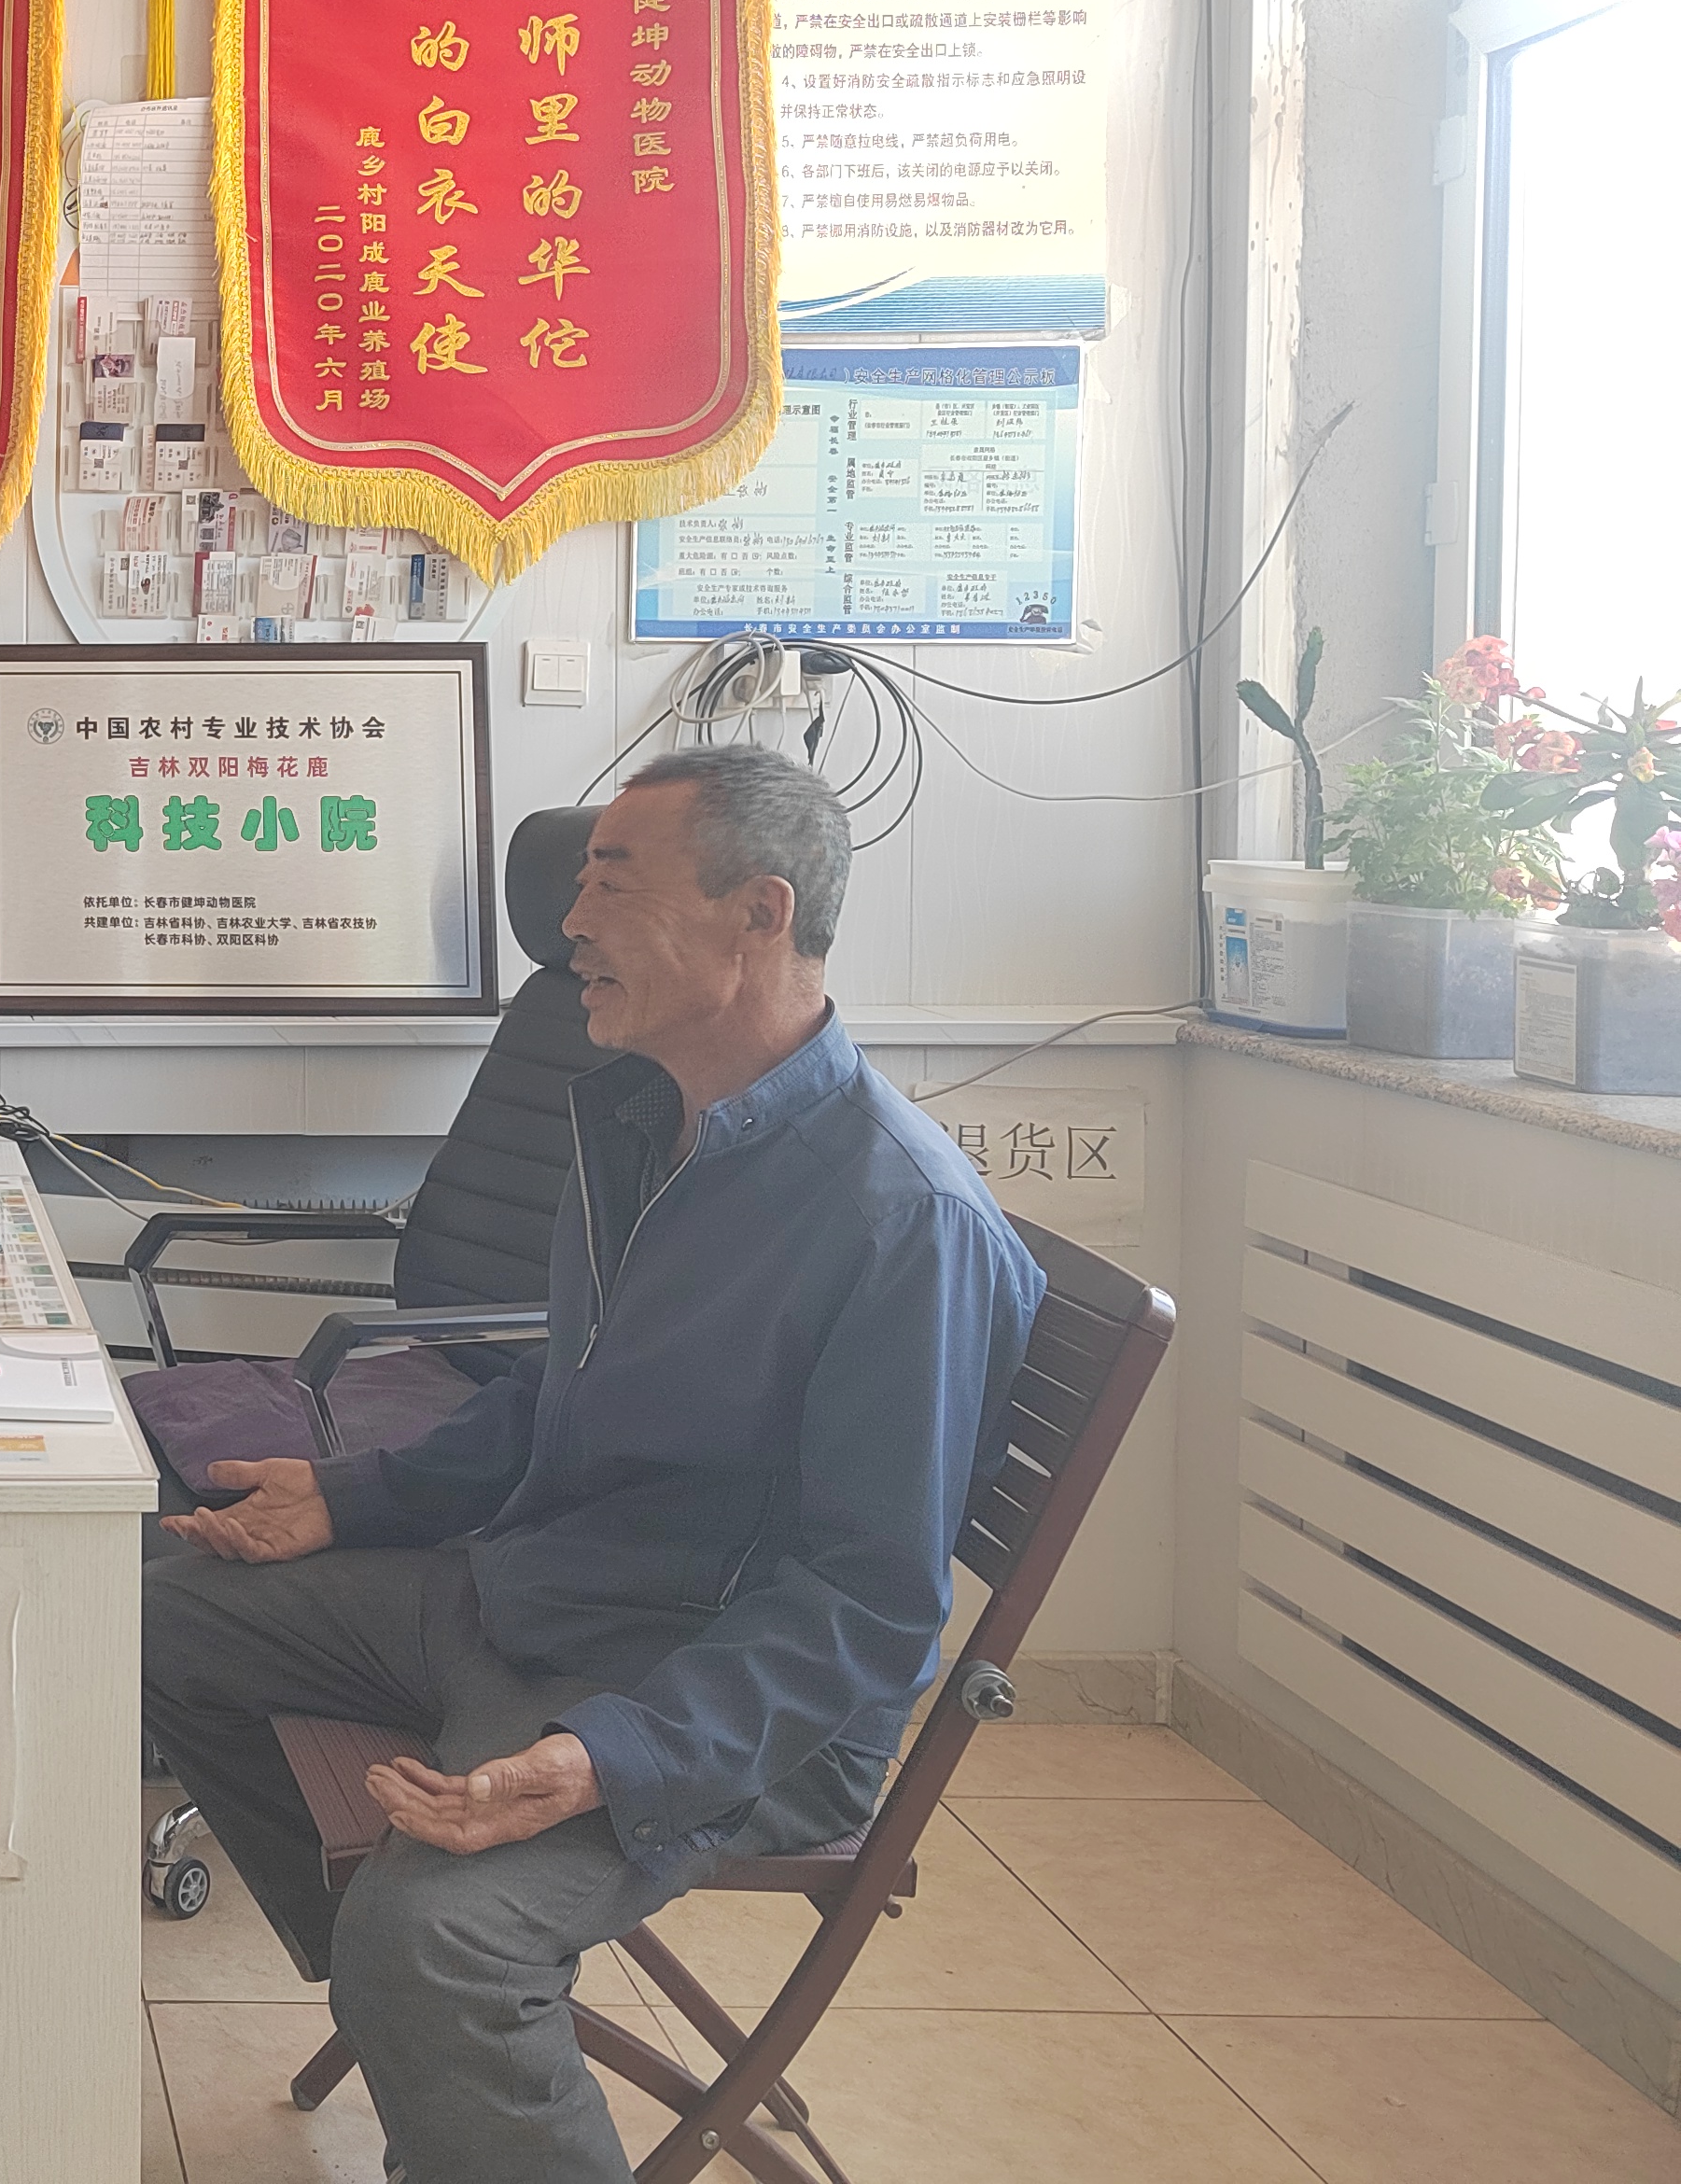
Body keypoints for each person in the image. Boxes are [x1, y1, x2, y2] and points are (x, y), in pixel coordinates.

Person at [142, 746, 1043, 2184]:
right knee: (152, 1607)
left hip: (710, 1693)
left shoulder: (906, 1219)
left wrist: (609, 1754)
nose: (570, 924)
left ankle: (420, 1998)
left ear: (760, 912)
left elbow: (868, 1608)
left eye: (613, 882)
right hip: (537, 1598)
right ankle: (407, 2025)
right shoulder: (637, 1120)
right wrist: (349, 1500)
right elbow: (554, 1401)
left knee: (433, 1938)